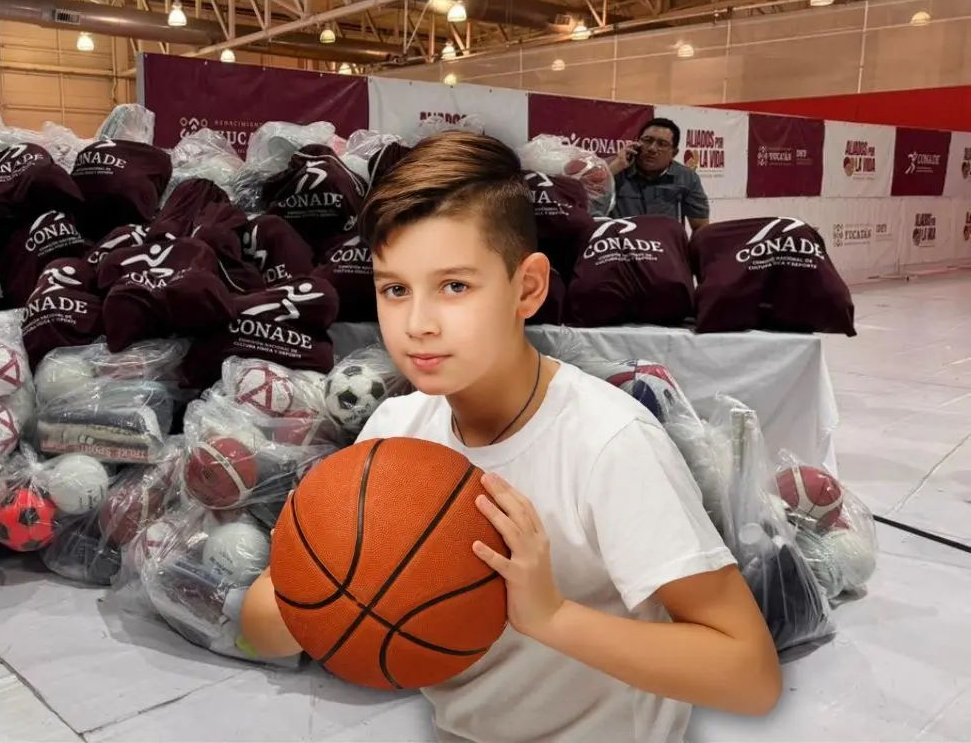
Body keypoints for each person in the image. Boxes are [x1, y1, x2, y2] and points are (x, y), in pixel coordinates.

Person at [239, 131, 781, 742]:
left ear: (527, 287)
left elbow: (750, 675)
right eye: (396, 289)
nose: (418, 324)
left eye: (454, 286)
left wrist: (551, 617)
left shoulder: (607, 441)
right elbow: (263, 627)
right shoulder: (395, 431)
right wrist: (321, 570)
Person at [610, 118, 711, 231]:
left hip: (665, 246)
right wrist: (615, 167)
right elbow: (590, 204)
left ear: (674, 153)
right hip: (620, 244)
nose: (652, 148)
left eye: (662, 144)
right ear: (636, 142)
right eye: (647, 140)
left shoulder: (686, 177)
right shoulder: (616, 167)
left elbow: (700, 228)